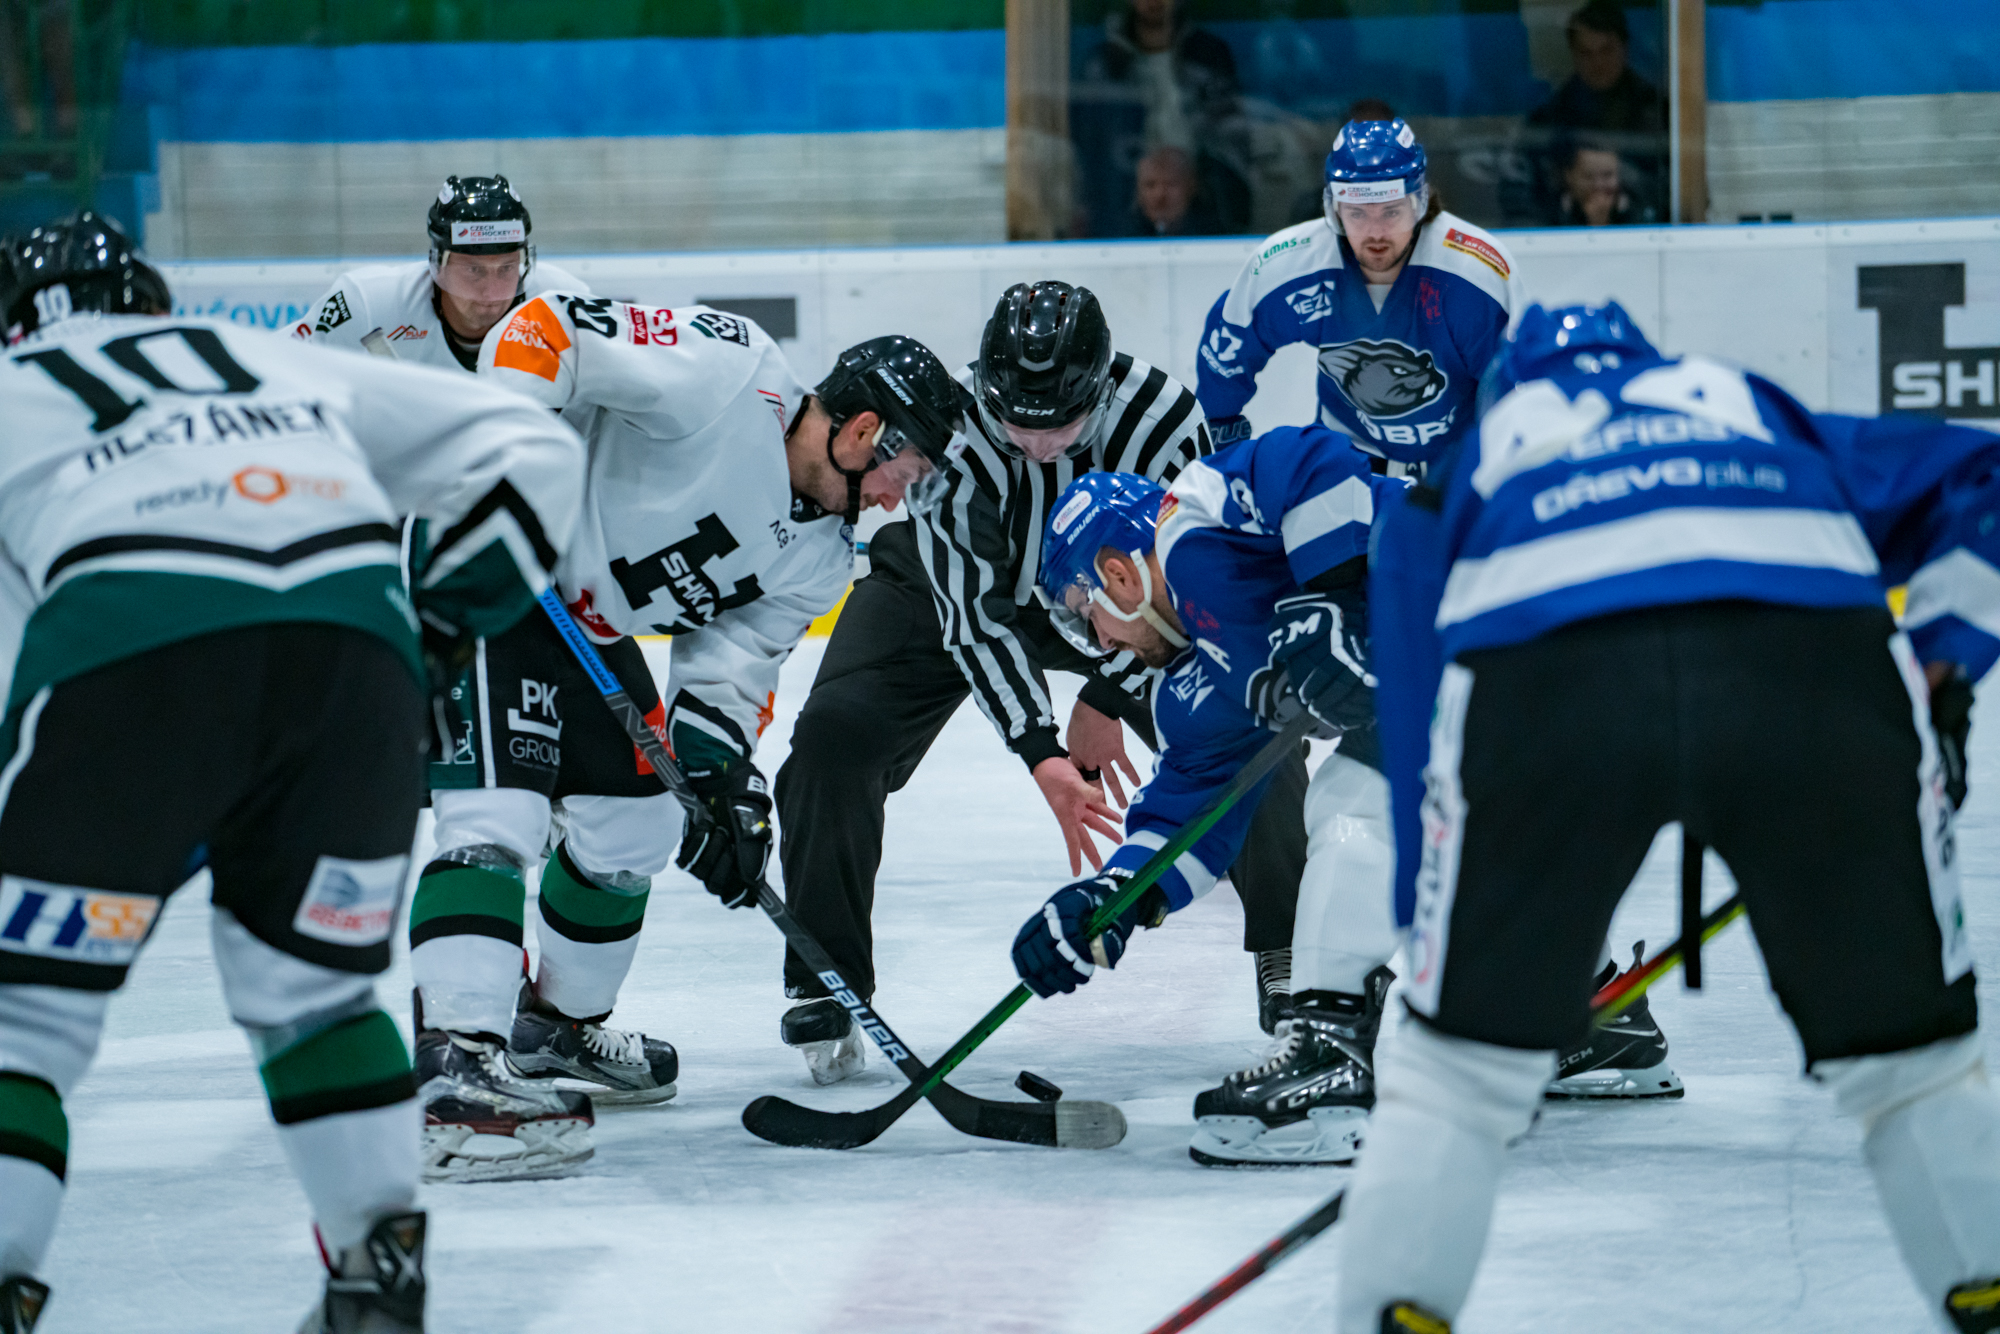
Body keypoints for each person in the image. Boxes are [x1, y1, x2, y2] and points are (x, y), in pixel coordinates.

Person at [1339, 302, 2000, 1332]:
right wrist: (1943, 667)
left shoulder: (1469, 459)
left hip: (1545, 675)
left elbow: (1416, 730)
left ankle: (1393, 1307)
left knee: (1452, 1077)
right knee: (1910, 1062)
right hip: (1809, 667)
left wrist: (1433, 959)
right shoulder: (1748, 404)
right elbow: (1982, 476)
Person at [0, 212, 583, 1333]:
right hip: (355, 666)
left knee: (22, 1023)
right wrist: (442, 632)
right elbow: (537, 448)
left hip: (129, 648)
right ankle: (375, 1277)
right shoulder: (267, 355)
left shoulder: (19, 383)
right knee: (313, 997)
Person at [408, 293, 968, 1178]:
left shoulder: (821, 560)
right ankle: (454, 1067)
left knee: (640, 825)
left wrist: (717, 779)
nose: (906, 499)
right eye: (916, 471)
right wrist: (502, 454)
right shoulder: (730, 371)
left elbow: (729, 667)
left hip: (586, 629)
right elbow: (546, 329)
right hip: (489, 562)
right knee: (496, 817)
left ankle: (556, 1029)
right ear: (866, 432)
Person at [774, 280, 1314, 1084]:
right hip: (958, 587)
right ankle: (826, 973)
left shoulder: (1163, 420)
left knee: (1248, 737)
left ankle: (1290, 955)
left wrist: (1104, 691)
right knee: (832, 735)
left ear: (1098, 390)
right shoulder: (951, 433)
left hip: (1124, 602)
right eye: (1014, 423)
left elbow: (1203, 583)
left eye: (1058, 427)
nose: (1034, 445)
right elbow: (976, 615)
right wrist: (1040, 749)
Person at [1009, 429, 1405, 1165]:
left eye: (1084, 611)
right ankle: (1603, 1019)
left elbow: (1313, 458)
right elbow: (1190, 817)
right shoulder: (1197, 690)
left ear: (1120, 574)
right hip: (1493, 704)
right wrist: (1113, 901)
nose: (1099, 644)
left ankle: (1328, 1051)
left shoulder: (1195, 528)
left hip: (1491, 600)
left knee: (1350, 805)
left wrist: (1334, 596)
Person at [1197, 118, 1522, 478]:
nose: (1376, 232)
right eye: (1357, 214)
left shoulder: (1473, 277)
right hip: (1346, 472)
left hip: (1457, 476)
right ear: (1334, 209)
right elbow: (1229, 349)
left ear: (1420, 202)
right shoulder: (1291, 264)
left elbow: (1515, 394)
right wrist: (1222, 453)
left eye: (1391, 212)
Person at [295, 174, 589, 370]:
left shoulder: (564, 307)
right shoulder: (364, 305)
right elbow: (281, 369)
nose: (491, 292)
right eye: (474, 269)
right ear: (438, 264)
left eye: (506, 268)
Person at [1072, 0, 1251, 239]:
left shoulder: (1209, 55)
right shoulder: (1103, 63)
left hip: (1203, 215)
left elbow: (1232, 139)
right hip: (1120, 213)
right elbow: (1091, 148)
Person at [1512, 0, 1668, 226]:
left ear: (1624, 49)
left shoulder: (1658, 113)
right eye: (1586, 53)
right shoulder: (1550, 117)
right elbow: (1519, 193)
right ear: (1573, 54)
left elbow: (1677, 191)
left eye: (1606, 50)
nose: (1598, 62)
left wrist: (1628, 199)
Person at [1553, 137, 1657, 227]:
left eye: (1607, 175)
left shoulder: (1640, 211)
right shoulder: (1549, 212)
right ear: (1569, 177)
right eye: (1588, 177)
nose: (1598, 185)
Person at [1125, 145, 1221, 237]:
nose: (1160, 194)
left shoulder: (1217, 237)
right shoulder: (1119, 237)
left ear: (1191, 187)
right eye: (1150, 185)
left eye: (1170, 184)